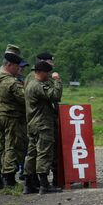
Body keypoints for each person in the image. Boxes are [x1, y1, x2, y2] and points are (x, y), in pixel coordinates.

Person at [23, 61, 63, 194]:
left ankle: (28, 185)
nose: (49, 75)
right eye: (47, 73)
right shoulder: (38, 86)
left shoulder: (30, 84)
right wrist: (57, 81)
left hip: (33, 124)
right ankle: (44, 185)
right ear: (40, 72)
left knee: (32, 154)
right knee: (44, 153)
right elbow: (55, 96)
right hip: (42, 125)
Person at [0, 45, 27, 188]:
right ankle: (10, 178)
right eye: (16, 66)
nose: (18, 69)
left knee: (0, 146)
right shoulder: (11, 82)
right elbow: (25, 99)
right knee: (12, 146)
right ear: (9, 65)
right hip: (11, 117)